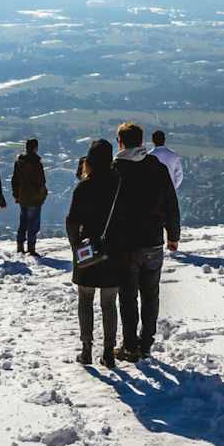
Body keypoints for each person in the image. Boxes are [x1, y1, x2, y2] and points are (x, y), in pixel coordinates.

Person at [110, 122, 180, 362]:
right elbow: (171, 202)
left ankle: (130, 345)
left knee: (128, 296)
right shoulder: (157, 167)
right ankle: (147, 343)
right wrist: (173, 235)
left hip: (125, 244)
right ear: (142, 142)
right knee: (151, 295)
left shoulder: (116, 168)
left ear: (120, 142)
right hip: (153, 241)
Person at [66, 139, 127, 368]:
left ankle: (86, 349)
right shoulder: (120, 184)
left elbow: (72, 221)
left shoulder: (84, 187)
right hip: (114, 251)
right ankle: (109, 352)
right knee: (109, 304)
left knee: (85, 300)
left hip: (88, 252)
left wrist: (76, 246)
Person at [10, 139, 47, 256]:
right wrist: (43, 195)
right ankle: (31, 249)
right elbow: (42, 181)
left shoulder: (19, 162)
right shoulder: (37, 163)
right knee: (33, 224)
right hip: (35, 198)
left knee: (23, 222)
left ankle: (20, 247)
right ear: (35, 148)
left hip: (22, 197)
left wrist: (16, 194)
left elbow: (14, 180)